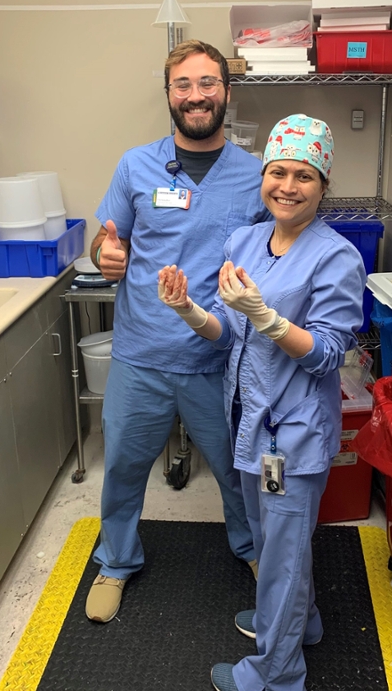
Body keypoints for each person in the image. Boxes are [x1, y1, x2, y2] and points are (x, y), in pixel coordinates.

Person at [158, 113, 366, 691]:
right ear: (264, 174)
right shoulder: (245, 241)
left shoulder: (336, 257)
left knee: (281, 554)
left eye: (305, 175)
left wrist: (267, 317)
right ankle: (300, 623)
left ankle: (277, 680)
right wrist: (189, 312)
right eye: (278, 171)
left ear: (323, 185)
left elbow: (327, 355)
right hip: (250, 420)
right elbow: (231, 337)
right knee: (276, 542)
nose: (288, 185)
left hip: (292, 432)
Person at [86, 39, 270, 624]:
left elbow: (276, 255)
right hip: (141, 354)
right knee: (121, 466)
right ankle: (116, 560)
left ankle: (253, 552)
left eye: (207, 83)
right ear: (168, 95)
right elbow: (106, 239)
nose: (196, 96)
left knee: (239, 473)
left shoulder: (254, 177)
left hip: (219, 358)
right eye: (183, 85)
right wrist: (106, 252)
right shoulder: (135, 165)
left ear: (226, 91)